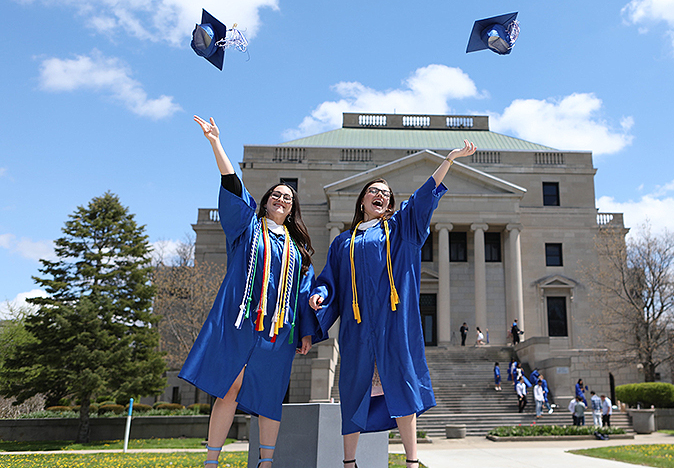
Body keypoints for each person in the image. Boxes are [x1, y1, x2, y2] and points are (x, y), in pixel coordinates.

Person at [309, 140, 477, 468]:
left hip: (393, 325)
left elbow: (422, 198)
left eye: (386, 193)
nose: (380, 195)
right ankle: (349, 462)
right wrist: (321, 296)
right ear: (362, 200)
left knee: (401, 388)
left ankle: (412, 461)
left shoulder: (401, 230)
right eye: (374, 191)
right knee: (353, 390)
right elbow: (330, 281)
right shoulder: (343, 242)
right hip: (358, 327)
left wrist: (448, 160)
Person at [180, 117, 318, 468]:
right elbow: (232, 184)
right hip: (242, 320)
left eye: (287, 198)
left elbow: (305, 290)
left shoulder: (299, 250)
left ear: (292, 208)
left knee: (270, 397)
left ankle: (265, 463)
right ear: (267, 202)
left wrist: (306, 329)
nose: (281, 199)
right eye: (276, 195)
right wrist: (216, 143)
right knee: (231, 386)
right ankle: (212, 461)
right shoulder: (247, 229)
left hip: (278, 330)